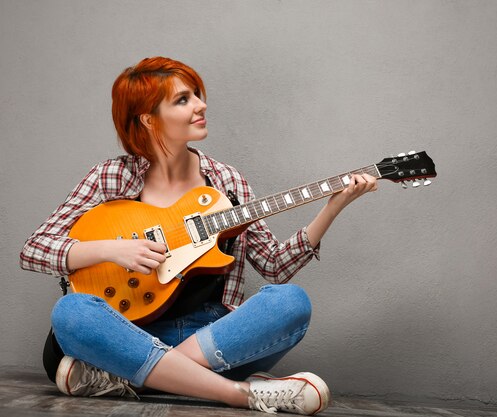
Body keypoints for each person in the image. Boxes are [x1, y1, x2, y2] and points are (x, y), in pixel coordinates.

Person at [19, 57, 377, 415]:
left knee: (291, 302)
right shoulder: (110, 177)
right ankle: (239, 392)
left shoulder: (226, 182)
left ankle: (129, 377)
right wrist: (113, 249)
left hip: (208, 339)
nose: (201, 105)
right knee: (71, 312)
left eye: (197, 96)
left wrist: (333, 207)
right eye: (183, 100)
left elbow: (274, 266)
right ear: (148, 118)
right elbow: (34, 249)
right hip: (123, 331)